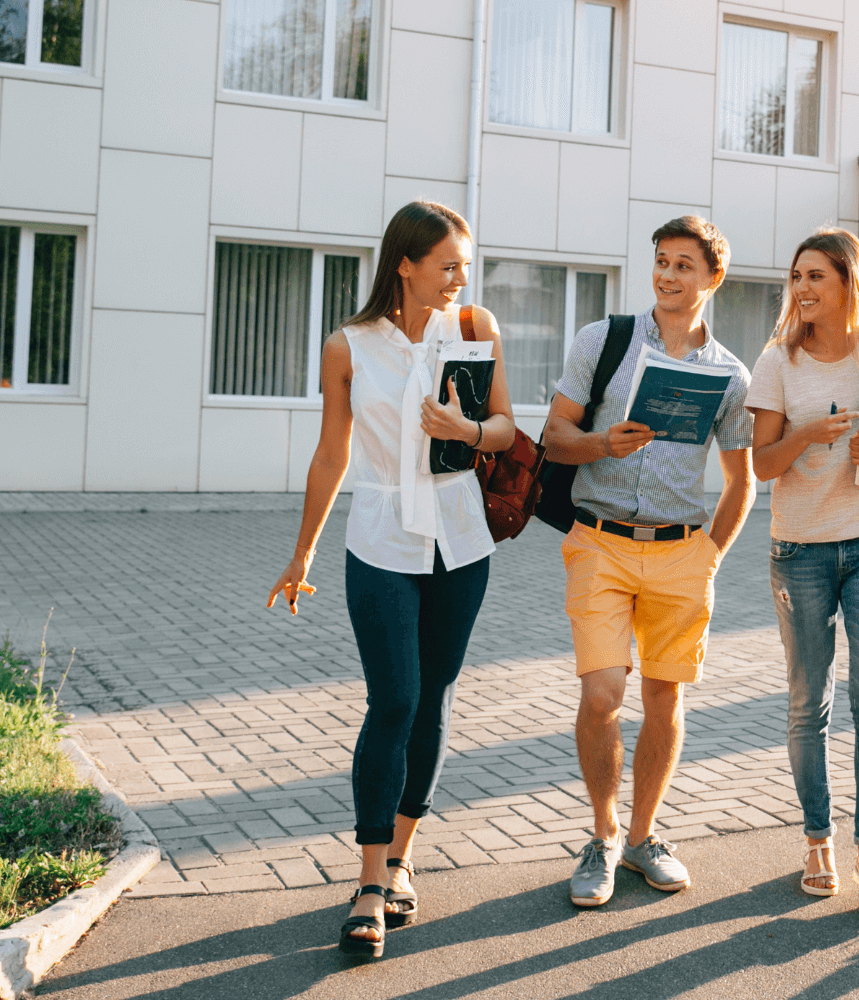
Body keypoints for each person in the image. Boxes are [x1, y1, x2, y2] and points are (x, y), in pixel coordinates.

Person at [266, 201, 516, 957]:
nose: (459, 279)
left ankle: (403, 858)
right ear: (405, 264)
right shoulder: (347, 346)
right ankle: (369, 880)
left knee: (434, 699)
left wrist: (466, 432)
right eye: (447, 265)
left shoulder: (476, 330)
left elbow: (506, 426)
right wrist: (302, 550)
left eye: (464, 266)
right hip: (379, 537)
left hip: (461, 540)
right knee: (394, 699)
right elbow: (330, 454)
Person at [542, 216, 756, 908]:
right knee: (602, 693)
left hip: (679, 553)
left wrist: (710, 556)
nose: (667, 275)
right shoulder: (603, 341)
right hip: (599, 541)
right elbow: (553, 437)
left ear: (712, 278)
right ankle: (602, 838)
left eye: (683, 265)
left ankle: (642, 838)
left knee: (666, 699)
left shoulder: (729, 375)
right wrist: (604, 445)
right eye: (661, 261)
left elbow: (743, 479)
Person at [747, 228, 859, 915]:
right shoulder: (778, 361)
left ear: (849, 282)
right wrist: (806, 437)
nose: (802, 288)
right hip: (801, 549)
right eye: (796, 276)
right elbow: (760, 464)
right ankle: (818, 837)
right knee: (808, 702)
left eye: (816, 276)